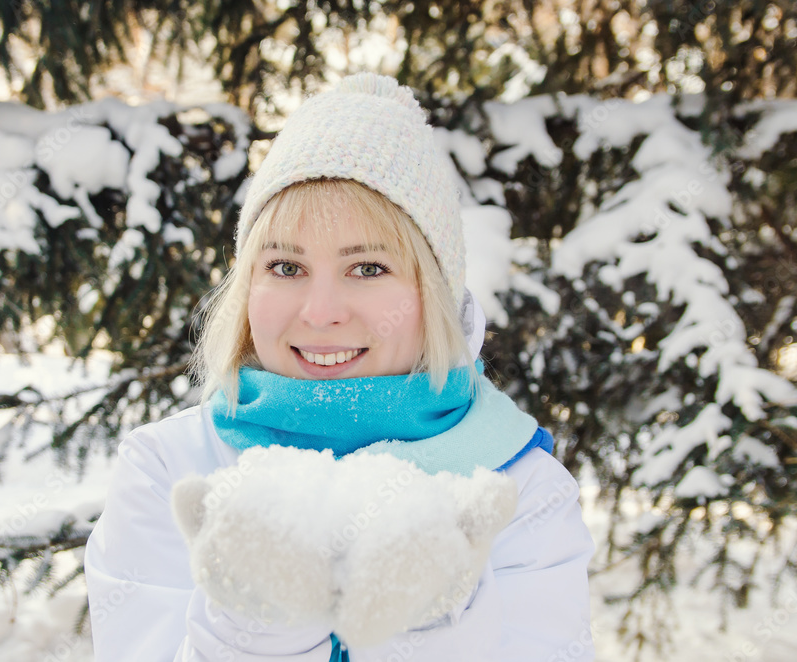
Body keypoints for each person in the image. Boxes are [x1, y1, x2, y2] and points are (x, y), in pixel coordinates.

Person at [85, 73, 595, 661]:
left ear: (434, 291)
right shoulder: (167, 469)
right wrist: (258, 621)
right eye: (285, 267)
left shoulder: (520, 489)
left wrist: (425, 619)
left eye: (369, 268)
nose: (321, 313)